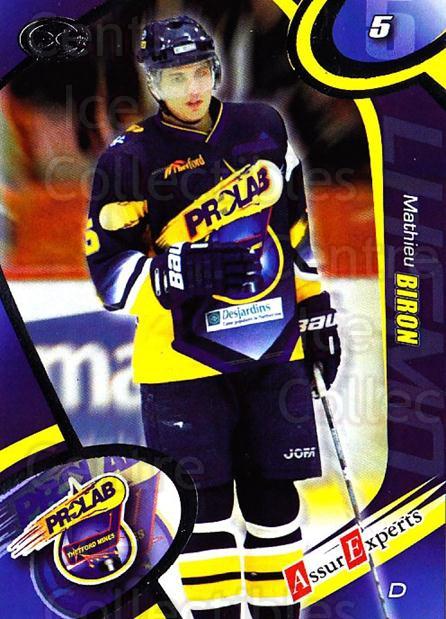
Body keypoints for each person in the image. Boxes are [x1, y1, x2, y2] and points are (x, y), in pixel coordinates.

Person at [86, 15, 341, 619]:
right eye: (175, 77)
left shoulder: (262, 127)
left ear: (216, 69)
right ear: (152, 82)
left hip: (272, 349)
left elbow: (293, 231)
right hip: (181, 365)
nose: (192, 88)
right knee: (205, 511)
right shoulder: (128, 158)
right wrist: (178, 271)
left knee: (275, 501)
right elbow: (110, 277)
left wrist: (316, 307)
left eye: (199, 71)